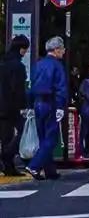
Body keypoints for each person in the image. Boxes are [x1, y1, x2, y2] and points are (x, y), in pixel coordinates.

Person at [25, 36, 68, 181]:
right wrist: (61, 107)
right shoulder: (57, 66)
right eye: (62, 49)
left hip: (37, 103)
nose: (64, 52)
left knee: (43, 137)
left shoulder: (39, 64)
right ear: (56, 50)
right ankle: (34, 165)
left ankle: (50, 171)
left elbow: (31, 85)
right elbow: (61, 88)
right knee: (51, 138)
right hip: (51, 103)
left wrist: (29, 105)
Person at [0, 35, 29, 176]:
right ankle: (6, 157)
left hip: (2, 105)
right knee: (22, 132)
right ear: (21, 49)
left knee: (6, 136)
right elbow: (18, 89)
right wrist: (23, 107)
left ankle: (8, 166)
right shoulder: (18, 66)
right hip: (12, 107)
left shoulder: (3, 62)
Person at [78, 68, 89, 158]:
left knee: (84, 131)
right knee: (88, 131)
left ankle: (83, 150)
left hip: (85, 108)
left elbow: (82, 94)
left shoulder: (85, 82)